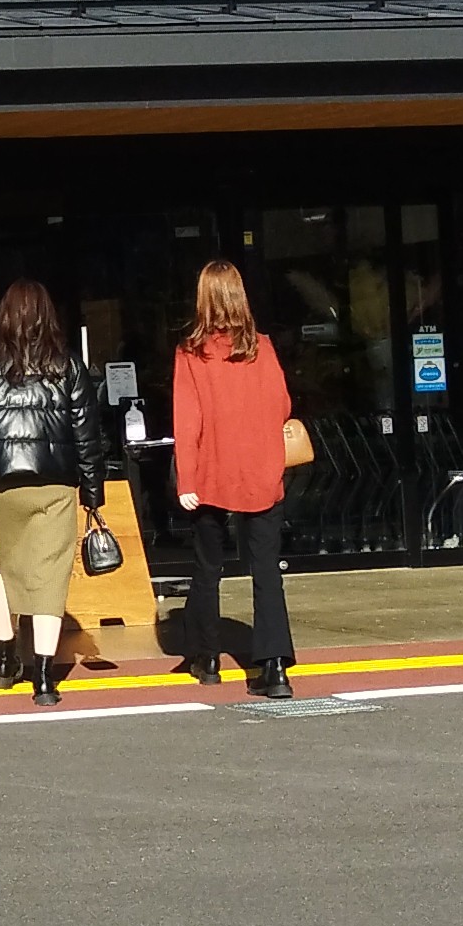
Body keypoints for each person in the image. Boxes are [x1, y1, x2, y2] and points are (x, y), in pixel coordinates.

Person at [0, 278, 109, 703]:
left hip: (1, 485)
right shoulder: (68, 365)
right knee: (51, 576)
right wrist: (93, 494)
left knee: (8, 568)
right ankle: (42, 678)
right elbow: (86, 436)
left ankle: (4, 662)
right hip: (54, 483)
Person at [170, 260, 301, 699]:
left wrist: (186, 479)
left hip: (211, 471)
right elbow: (282, 404)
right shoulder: (262, 346)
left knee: (208, 568)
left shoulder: (191, 352)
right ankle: (275, 666)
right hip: (263, 469)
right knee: (266, 571)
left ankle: (206, 657)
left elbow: (187, 421)